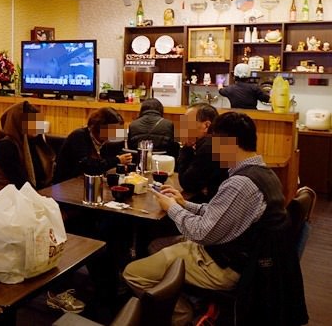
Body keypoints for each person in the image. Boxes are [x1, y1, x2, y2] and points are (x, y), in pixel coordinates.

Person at [123, 112, 307, 325]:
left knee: (132, 272)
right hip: (239, 257)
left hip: (223, 265)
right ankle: (190, 300)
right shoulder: (263, 173)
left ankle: (182, 313)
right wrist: (185, 204)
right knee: (156, 245)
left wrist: (172, 208)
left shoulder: (240, 184)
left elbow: (202, 233)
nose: (212, 149)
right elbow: (221, 214)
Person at [0, 101, 54, 199]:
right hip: (6, 202)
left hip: (31, 196)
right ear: (18, 123)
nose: (37, 126)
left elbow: (45, 175)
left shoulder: (34, 142)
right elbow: (20, 183)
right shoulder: (5, 146)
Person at [54, 107, 132, 183]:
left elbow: (104, 164)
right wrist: (117, 160)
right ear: (100, 127)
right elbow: (88, 167)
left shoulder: (104, 142)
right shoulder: (79, 136)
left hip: (87, 182)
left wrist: (120, 165)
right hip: (67, 184)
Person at [177, 102, 227, 203]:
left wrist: (186, 147)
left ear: (206, 125)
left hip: (215, 207)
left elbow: (187, 183)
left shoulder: (211, 146)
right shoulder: (220, 141)